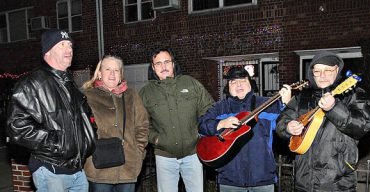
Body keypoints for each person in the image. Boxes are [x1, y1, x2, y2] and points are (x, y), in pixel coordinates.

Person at [7, 29, 95, 192]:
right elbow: (17, 127)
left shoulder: (71, 86)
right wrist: (56, 142)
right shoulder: (32, 83)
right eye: (62, 45)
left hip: (78, 171)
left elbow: (88, 119)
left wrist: (90, 137)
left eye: (70, 45)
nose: (69, 49)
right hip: (51, 170)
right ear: (47, 51)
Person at [276, 51, 370, 191]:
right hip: (303, 182)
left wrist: (334, 108)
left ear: (337, 70)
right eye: (317, 71)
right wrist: (287, 127)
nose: (322, 75)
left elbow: (363, 125)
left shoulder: (353, 94)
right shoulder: (302, 97)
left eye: (327, 70)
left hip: (337, 183)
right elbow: (282, 121)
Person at [198, 66, 292, 192]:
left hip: (262, 179)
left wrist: (286, 105)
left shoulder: (268, 104)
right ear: (228, 87)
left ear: (250, 84)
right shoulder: (220, 107)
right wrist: (220, 123)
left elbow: (285, 126)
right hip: (229, 179)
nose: (239, 85)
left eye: (243, 80)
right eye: (233, 82)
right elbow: (201, 125)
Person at [139, 48, 214, 192]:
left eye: (167, 62)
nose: (163, 66)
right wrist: (156, 139)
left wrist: (201, 134)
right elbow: (141, 124)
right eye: (158, 63)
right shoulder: (146, 93)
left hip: (193, 154)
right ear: (153, 67)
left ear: (173, 64)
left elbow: (208, 109)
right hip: (164, 156)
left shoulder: (190, 83)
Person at [82, 55, 149, 192]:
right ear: (99, 73)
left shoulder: (132, 96)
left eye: (116, 70)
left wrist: (138, 153)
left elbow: (143, 126)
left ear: (121, 74)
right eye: (107, 69)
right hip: (98, 169)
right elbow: (81, 130)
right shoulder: (88, 97)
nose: (112, 74)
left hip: (128, 168)